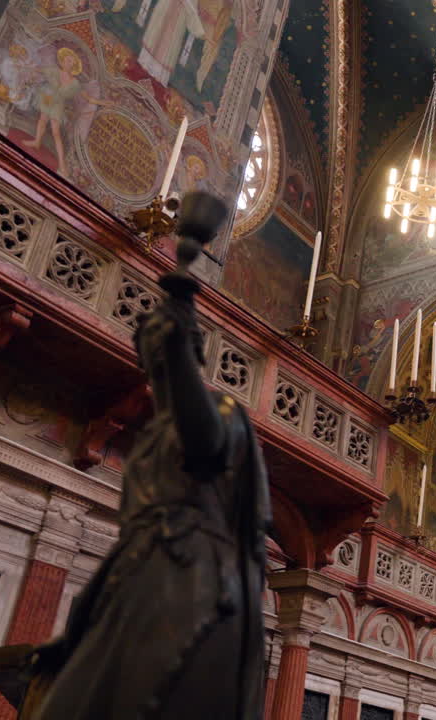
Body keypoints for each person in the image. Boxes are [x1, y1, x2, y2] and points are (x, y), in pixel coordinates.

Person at [33, 194, 269, 720]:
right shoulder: (157, 430)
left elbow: (205, 443)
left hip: (191, 579)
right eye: (149, 357)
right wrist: (77, 628)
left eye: (161, 354)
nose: (154, 367)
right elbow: (129, 537)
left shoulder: (223, 410)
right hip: (142, 568)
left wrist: (181, 352)